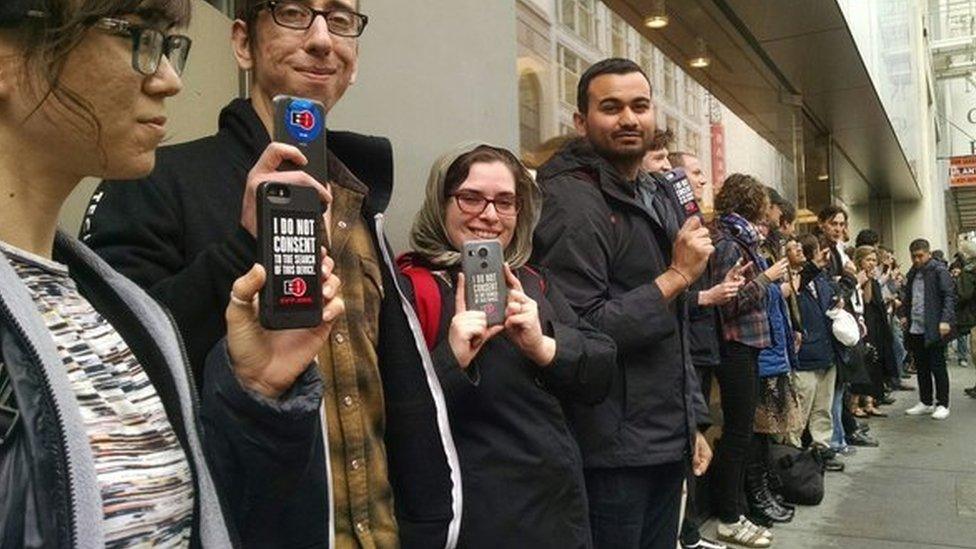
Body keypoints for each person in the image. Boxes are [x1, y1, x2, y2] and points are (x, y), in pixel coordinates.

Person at [80, 1, 462, 546]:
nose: (323, 38)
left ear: (353, 60)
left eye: (341, 20)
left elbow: (394, 388)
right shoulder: (155, 179)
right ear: (242, 43)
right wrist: (243, 245)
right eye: (293, 12)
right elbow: (113, 373)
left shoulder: (359, 202)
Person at [0, 1, 345, 545]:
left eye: (169, 44)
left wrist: (256, 389)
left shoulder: (116, 309)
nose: (168, 79)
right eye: (138, 36)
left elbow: (193, 516)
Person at [532, 58, 714, 549]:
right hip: (610, 450)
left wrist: (690, 421)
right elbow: (583, 330)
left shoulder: (654, 190)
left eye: (640, 106)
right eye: (610, 108)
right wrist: (676, 276)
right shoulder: (572, 200)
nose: (628, 119)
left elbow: (673, 328)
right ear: (581, 122)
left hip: (661, 438)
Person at [398, 143, 616, 548]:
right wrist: (452, 360)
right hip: (476, 522)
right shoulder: (410, 288)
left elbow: (601, 370)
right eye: (471, 198)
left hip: (558, 513)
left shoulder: (532, 281)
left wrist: (543, 347)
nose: (489, 215)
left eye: (505, 202)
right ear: (440, 201)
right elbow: (396, 419)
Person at [709, 173, 790, 548]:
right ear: (753, 203)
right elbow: (730, 301)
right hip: (736, 345)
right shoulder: (730, 243)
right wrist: (768, 278)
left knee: (741, 433)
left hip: (747, 346)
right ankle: (729, 516)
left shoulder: (740, 239)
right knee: (738, 434)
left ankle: (735, 511)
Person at [672, 150, 741, 549]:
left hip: (700, 346)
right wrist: (706, 295)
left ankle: (690, 533)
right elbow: (669, 290)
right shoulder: (672, 224)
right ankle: (687, 534)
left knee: (696, 440)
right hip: (688, 349)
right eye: (694, 173)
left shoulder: (696, 226)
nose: (703, 180)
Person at [902, 239, 956, 419]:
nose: (916, 260)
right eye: (913, 256)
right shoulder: (913, 273)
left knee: (937, 365)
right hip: (916, 326)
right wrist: (904, 314)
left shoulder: (939, 271)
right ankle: (925, 401)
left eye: (920, 256)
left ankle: (943, 403)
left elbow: (949, 296)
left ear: (928, 254)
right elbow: (908, 296)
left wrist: (945, 320)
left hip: (934, 325)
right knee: (922, 366)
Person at [849, 246, 897, 417]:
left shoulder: (874, 279)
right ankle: (855, 404)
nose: (871, 263)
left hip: (876, 325)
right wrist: (864, 280)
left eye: (874, 260)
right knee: (863, 364)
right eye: (868, 259)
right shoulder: (855, 277)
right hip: (862, 325)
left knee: (875, 363)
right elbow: (865, 300)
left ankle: (870, 401)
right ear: (860, 260)